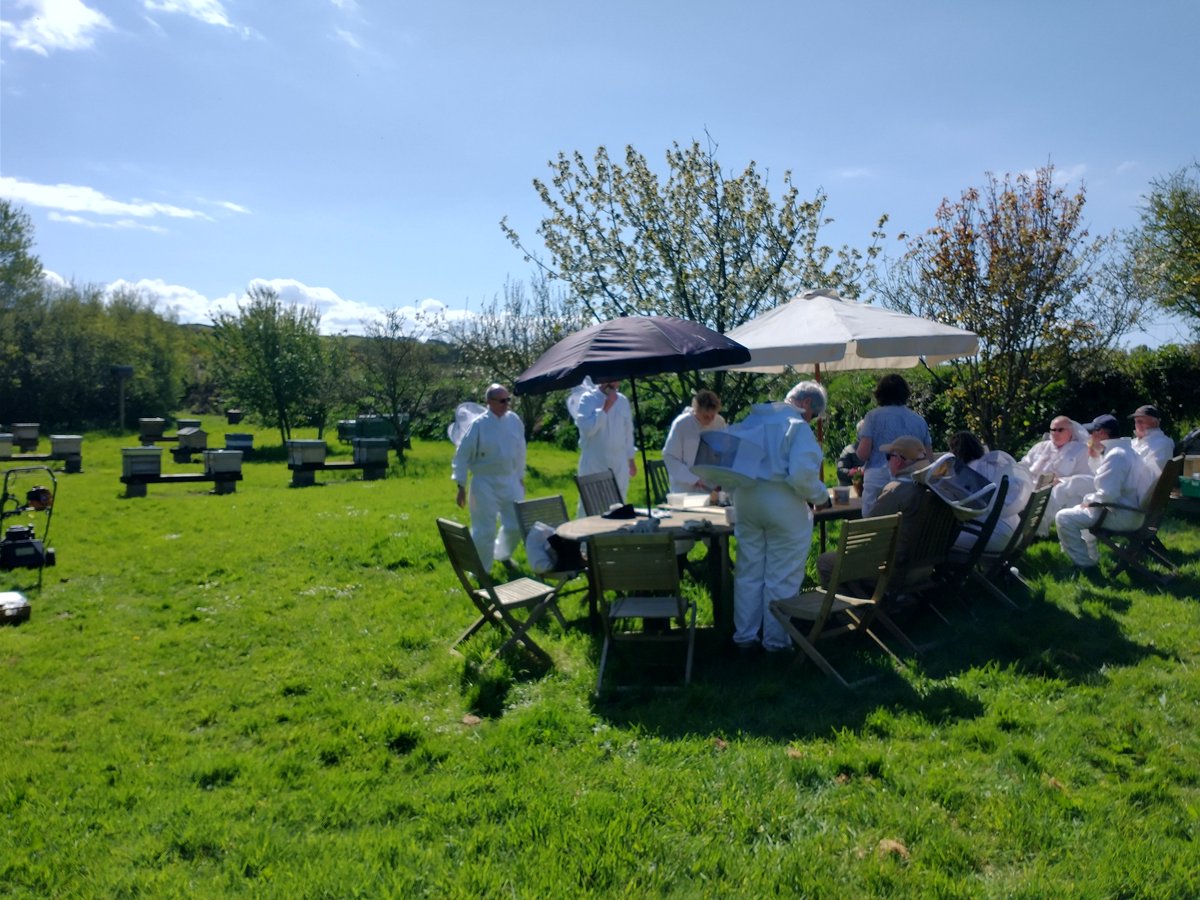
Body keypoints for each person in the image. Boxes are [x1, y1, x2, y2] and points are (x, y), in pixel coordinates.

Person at [729, 381, 829, 653]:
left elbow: (729, 463)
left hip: (746, 498)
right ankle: (776, 642)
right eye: (813, 415)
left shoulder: (751, 420)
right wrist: (821, 496)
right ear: (807, 404)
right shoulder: (796, 426)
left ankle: (745, 638)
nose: (811, 420)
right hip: (782, 500)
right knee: (781, 574)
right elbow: (800, 476)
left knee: (749, 572)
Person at [817, 435, 931, 588]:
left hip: (893, 570)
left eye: (888, 456)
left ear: (897, 460)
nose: (887, 461)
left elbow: (869, 534)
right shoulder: (929, 490)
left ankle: (852, 609)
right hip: (924, 566)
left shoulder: (895, 492)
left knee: (825, 561)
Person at [1054, 413, 1158, 574]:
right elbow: (1104, 478)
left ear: (1102, 433)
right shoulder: (1126, 450)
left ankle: (1085, 565)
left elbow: (1108, 494)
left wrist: (1089, 500)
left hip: (1124, 514)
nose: (1089, 437)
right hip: (1133, 512)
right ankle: (1091, 557)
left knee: (1064, 517)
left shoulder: (1116, 455)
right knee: (1081, 510)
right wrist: (1095, 457)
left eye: (1092, 433)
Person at [450, 383, 526, 573]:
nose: (506, 403)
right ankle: (481, 571)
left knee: (516, 524)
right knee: (484, 530)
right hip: (484, 483)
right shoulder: (478, 425)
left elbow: (520, 451)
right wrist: (461, 485)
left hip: (510, 480)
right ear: (489, 402)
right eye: (502, 400)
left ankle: (502, 554)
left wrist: (520, 476)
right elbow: (462, 456)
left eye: (508, 399)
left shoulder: (514, 420)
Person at [856, 374, 932, 516]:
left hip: (877, 476)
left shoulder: (872, 416)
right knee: (905, 522)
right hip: (910, 479)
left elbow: (863, 453)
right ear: (905, 393)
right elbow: (928, 458)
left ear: (880, 394)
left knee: (873, 522)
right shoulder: (919, 420)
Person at [948, 430, 1032, 555]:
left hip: (993, 535)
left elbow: (960, 509)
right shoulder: (993, 465)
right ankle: (992, 571)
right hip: (1015, 532)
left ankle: (945, 573)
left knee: (939, 540)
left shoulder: (968, 472)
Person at [571, 378, 637, 513]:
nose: (614, 384)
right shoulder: (588, 399)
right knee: (591, 506)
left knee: (618, 507)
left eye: (617, 380)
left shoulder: (623, 401)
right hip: (594, 464)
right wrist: (605, 407)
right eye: (610, 380)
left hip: (619, 464)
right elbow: (587, 430)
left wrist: (631, 459)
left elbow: (628, 432)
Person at [662, 389, 726, 493]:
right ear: (696, 411)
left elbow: (724, 452)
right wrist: (693, 478)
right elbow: (670, 457)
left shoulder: (719, 422)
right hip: (685, 488)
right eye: (706, 416)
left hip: (712, 486)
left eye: (713, 415)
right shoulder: (681, 424)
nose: (710, 419)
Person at [1019, 416, 1092, 482]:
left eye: (1060, 430)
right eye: (1053, 430)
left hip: (1061, 493)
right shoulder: (1039, 447)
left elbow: (1083, 478)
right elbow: (1024, 466)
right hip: (1030, 488)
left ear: (1070, 432)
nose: (1056, 433)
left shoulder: (1080, 450)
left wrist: (1060, 481)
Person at [1130, 404, 1174, 473]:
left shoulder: (1162, 444)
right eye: (1136, 422)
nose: (1137, 425)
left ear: (1155, 423)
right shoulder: (1134, 442)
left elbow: (1150, 476)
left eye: (1140, 421)